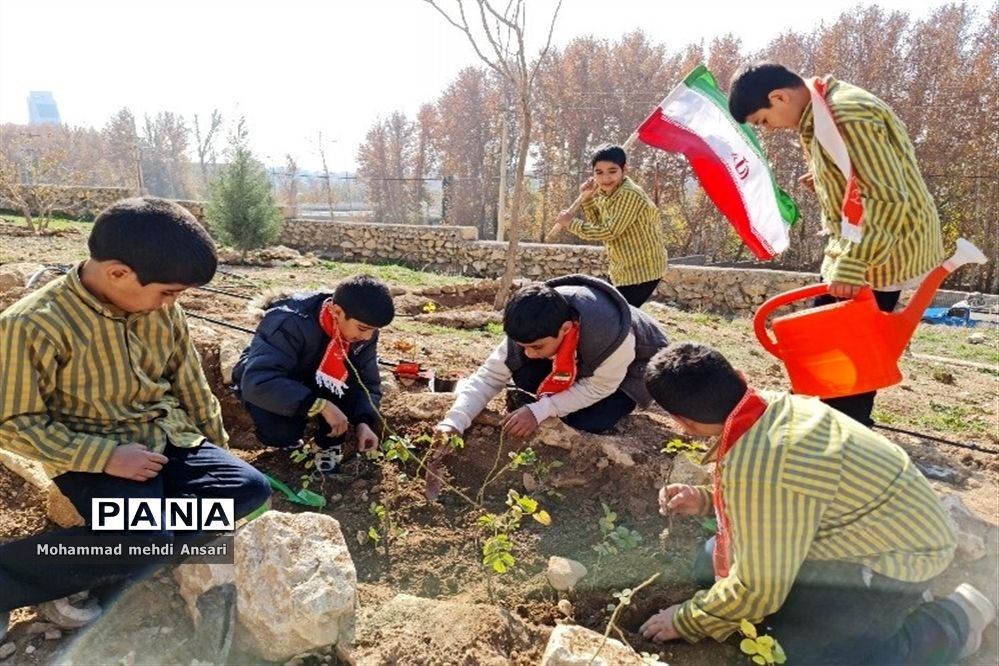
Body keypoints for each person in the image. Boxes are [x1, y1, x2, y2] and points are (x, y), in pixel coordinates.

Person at [0, 197, 271, 639]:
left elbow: (191, 388)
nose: (170, 304)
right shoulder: (32, 324)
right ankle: (12, 579)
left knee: (247, 489)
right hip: (95, 457)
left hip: (169, 441)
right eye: (167, 292)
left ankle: (115, 557)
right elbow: (13, 422)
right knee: (147, 538)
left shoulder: (164, 312)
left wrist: (217, 452)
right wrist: (106, 456)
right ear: (118, 273)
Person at [637, 342, 995, 665]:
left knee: (809, 655)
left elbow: (758, 590)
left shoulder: (766, 462)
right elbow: (787, 498)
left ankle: (954, 619)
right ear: (737, 377)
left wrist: (686, 619)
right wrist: (702, 500)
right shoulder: (767, 406)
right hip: (855, 526)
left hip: (899, 555)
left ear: (683, 422)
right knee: (709, 563)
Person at [728, 62, 945, 426]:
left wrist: (854, 264)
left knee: (844, 360)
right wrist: (826, 179)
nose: (770, 130)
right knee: (829, 352)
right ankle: (835, 424)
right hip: (864, 247)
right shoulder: (820, 109)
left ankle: (845, 436)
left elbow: (887, 198)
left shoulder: (846, 115)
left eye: (764, 121)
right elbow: (863, 174)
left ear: (778, 97)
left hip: (880, 254)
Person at [428, 274, 669, 498]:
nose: (530, 353)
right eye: (524, 346)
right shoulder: (530, 325)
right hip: (581, 356)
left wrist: (542, 409)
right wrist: (455, 420)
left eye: (537, 347)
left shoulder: (611, 335)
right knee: (525, 374)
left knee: (588, 420)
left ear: (565, 329)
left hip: (633, 367)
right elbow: (489, 377)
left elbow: (600, 386)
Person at [232, 275, 394, 474]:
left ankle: (327, 443)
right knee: (281, 432)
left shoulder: (363, 331)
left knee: (340, 383)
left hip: (318, 377)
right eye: (362, 329)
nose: (367, 337)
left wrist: (364, 421)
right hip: (277, 379)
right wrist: (318, 404)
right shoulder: (289, 321)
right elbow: (259, 380)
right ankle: (291, 434)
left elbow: (366, 380)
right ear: (337, 312)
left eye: (373, 331)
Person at [551, 144, 666, 307]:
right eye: (599, 172)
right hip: (621, 269)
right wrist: (589, 198)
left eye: (612, 171)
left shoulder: (628, 194)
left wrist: (571, 223)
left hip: (643, 271)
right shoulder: (605, 193)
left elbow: (608, 231)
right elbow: (596, 224)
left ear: (624, 170)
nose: (605, 178)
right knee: (611, 313)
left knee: (618, 316)